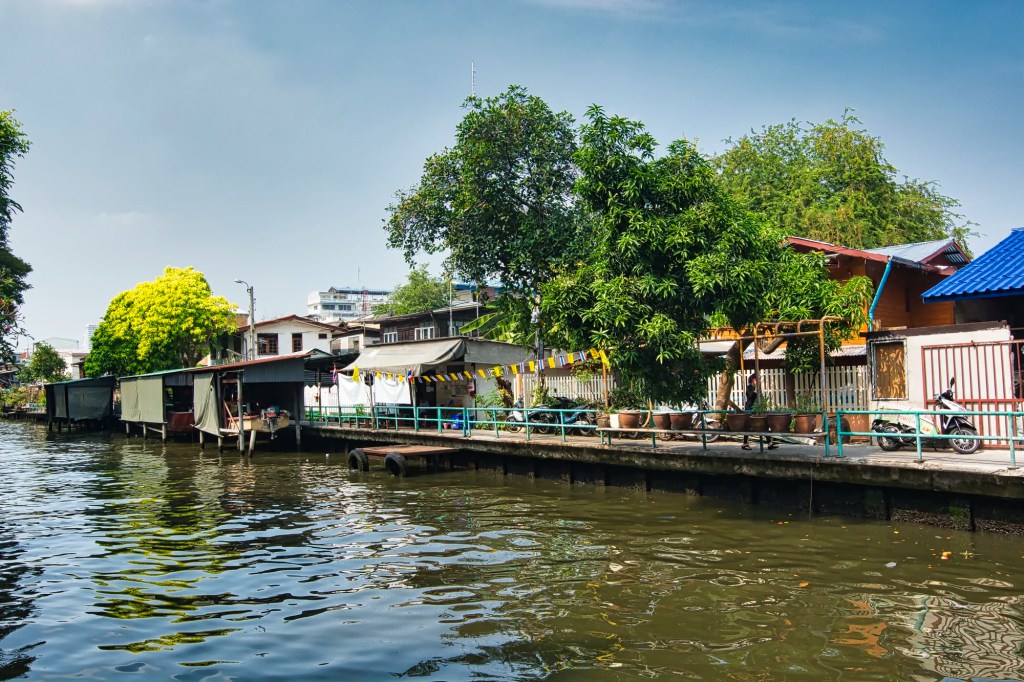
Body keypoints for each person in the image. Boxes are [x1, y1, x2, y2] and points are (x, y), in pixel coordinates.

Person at [742, 373, 777, 450]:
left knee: (764, 425)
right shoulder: (750, 387)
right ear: (753, 379)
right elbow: (750, 396)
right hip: (751, 409)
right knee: (749, 426)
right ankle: (745, 443)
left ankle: (769, 443)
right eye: (759, 379)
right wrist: (755, 389)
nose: (760, 380)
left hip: (758, 409)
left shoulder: (758, 388)